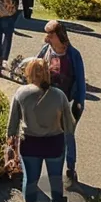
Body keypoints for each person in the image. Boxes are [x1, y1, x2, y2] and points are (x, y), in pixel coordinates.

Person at [7, 58, 75, 202]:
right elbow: (69, 126)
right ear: (48, 73)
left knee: (30, 180)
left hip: (30, 144)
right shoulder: (59, 95)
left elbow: (12, 124)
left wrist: (10, 146)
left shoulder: (21, 93)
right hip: (54, 143)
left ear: (29, 73)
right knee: (55, 179)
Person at [37, 22, 86, 184]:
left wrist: (79, 104)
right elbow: (35, 70)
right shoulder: (46, 51)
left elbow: (80, 82)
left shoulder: (73, 55)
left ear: (60, 35)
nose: (48, 38)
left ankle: (71, 169)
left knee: (67, 136)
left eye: (51, 35)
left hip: (67, 103)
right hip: (48, 102)